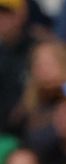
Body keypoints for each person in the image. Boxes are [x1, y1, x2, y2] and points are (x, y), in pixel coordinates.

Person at [8, 39, 66, 152]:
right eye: (38, 63)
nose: (42, 68)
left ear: (63, 63)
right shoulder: (29, 100)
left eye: (49, 62)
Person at [0, 0, 34, 132]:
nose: (2, 18)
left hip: (28, 129)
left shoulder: (38, 48)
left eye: (7, 13)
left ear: (22, 15)